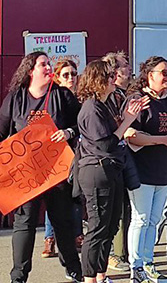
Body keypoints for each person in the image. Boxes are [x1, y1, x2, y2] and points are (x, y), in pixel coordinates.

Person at [0, 52, 83, 283]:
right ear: (30, 70)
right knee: (24, 224)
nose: (49, 68)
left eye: (49, 64)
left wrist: (68, 132)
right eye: (43, 64)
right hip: (26, 176)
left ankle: (73, 269)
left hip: (56, 173)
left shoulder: (62, 95)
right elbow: (2, 131)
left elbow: (81, 123)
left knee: (63, 222)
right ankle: (18, 276)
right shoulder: (15, 98)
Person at [75, 60, 148, 283]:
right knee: (97, 227)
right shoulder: (92, 108)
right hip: (97, 170)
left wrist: (125, 116)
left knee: (111, 225)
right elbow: (106, 143)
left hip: (111, 168)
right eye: (108, 76)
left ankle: (101, 274)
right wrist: (127, 121)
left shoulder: (105, 104)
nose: (113, 79)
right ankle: (89, 278)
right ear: (97, 80)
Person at [124, 56, 167, 283]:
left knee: (154, 220)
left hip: (164, 169)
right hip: (142, 169)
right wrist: (161, 140)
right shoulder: (139, 99)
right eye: (164, 73)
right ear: (149, 75)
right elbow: (130, 135)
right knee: (141, 219)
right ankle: (136, 268)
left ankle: (148, 263)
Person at [42, 59, 83, 259]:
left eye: (73, 74)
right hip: (55, 155)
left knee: (75, 196)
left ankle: (77, 235)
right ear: (57, 77)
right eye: (65, 74)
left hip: (76, 153)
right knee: (55, 196)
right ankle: (49, 238)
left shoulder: (80, 97)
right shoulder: (53, 97)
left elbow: (81, 124)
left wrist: (70, 131)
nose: (70, 78)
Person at [101, 51, 133, 272]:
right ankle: (113, 253)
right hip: (110, 158)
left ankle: (124, 250)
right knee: (113, 210)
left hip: (127, 155)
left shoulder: (126, 94)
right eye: (124, 66)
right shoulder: (108, 97)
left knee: (125, 208)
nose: (128, 69)